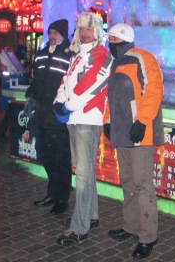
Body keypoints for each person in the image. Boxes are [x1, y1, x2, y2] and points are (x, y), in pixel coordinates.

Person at [103, 23, 164, 259]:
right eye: (110, 39)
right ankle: (131, 227)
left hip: (140, 134)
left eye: (114, 38)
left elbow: (154, 90)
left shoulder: (143, 57)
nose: (111, 42)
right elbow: (113, 98)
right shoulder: (115, 64)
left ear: (124, 39)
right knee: (128, 182)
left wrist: (142, 121)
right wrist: (108, 121)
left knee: (142, 185)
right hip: (122, 133)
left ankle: (148, 236)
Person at [54, 13, 112, 246]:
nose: (85, 33)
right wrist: (59, 102)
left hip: (88, 119)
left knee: (83, 175)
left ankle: (80, 228)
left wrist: (66, 105)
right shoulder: (77, 56)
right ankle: (91, 215)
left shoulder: (102, 55)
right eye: (81, 29)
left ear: (97, 31)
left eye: (89, 29)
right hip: (75, 119)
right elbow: (65, 81)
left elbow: (91, 86)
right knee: (84, 173)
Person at [24, 19, 73, 214]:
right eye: (50, 32)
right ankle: (52, 192)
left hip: (59, 118)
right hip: (43, 115)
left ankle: (63, 196)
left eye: (55, 33)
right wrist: (31, 99)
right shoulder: (42, 54)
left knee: (61, 158)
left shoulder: (71, 54)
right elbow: (36, 81)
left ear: (63, 34)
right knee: (44, 154)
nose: (52, 36)